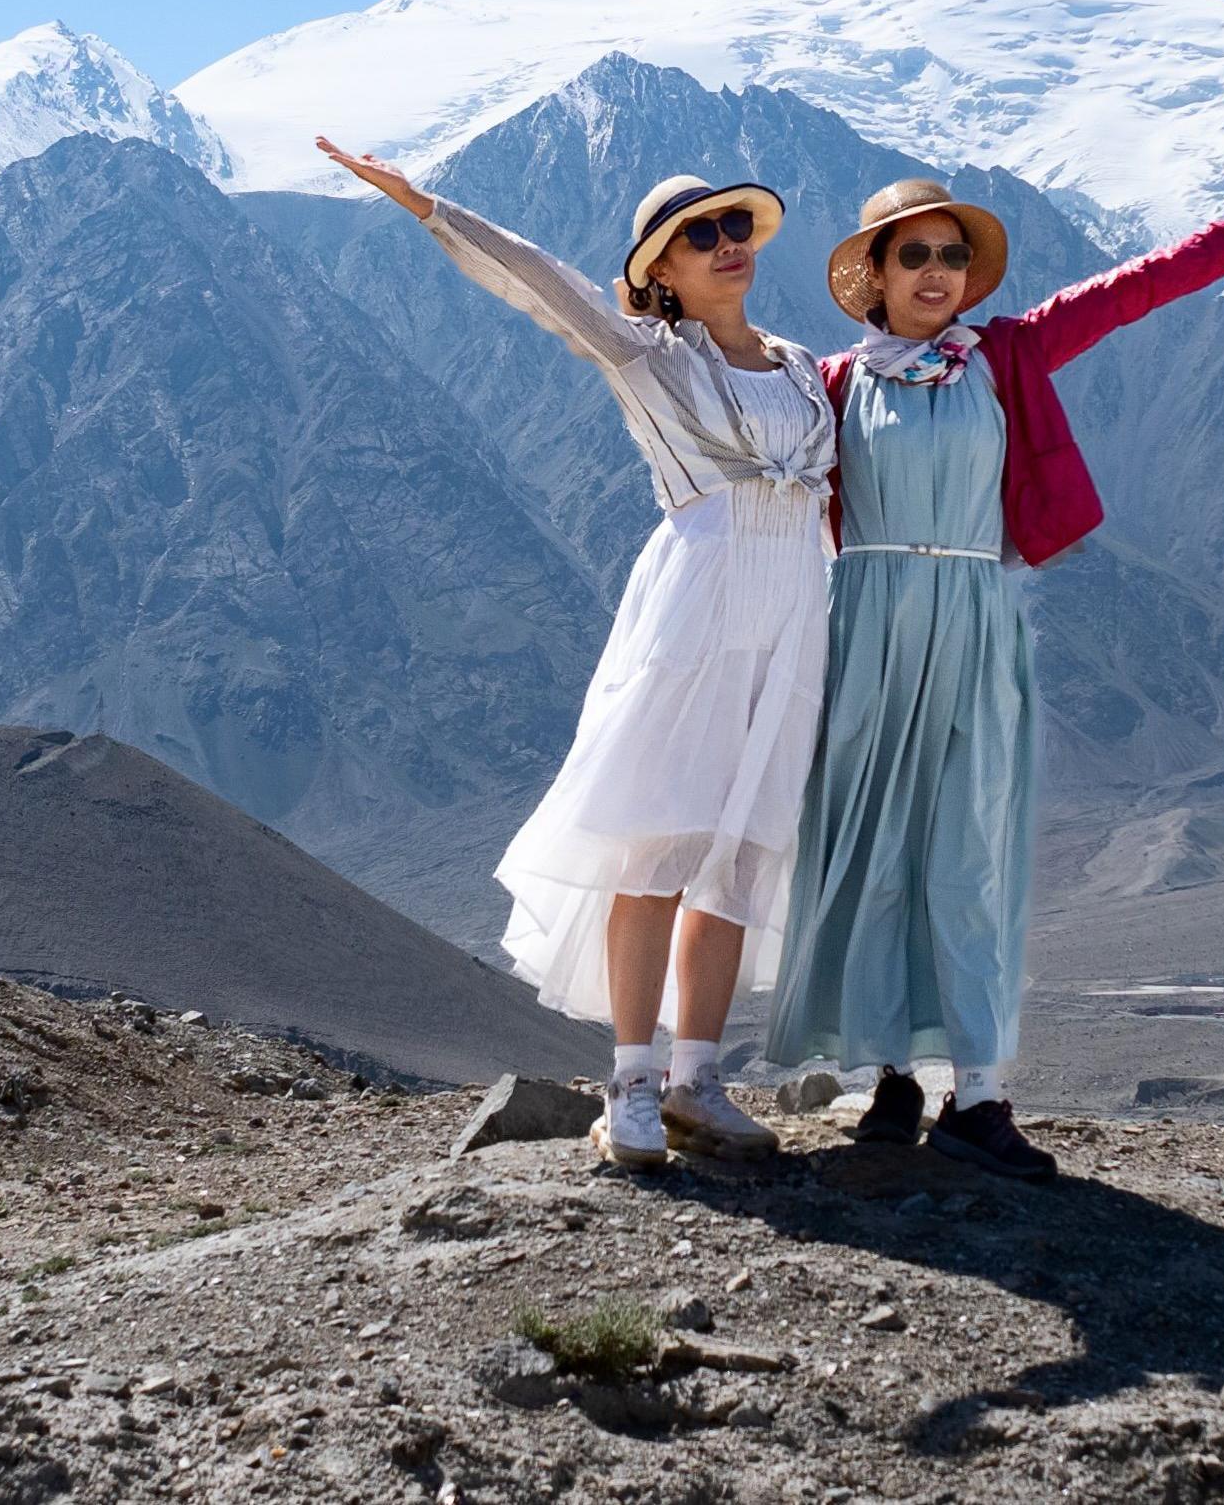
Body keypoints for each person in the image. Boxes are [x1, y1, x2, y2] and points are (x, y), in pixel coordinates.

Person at [314, 136, 835, 1171]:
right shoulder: (649, 358)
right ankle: (631, 1082)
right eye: (699, 235)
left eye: (736, 225)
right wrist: (430, 209)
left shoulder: (804, 372)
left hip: (793, 624)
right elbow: (540, 284)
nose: (727, 243)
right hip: (695, 614)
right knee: (655, 848)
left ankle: (697, 1080)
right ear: (660, 273)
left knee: (737, 855)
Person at [768, 177, 1224, 1178]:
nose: (935, 273)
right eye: (912, 255)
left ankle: (981, 1094)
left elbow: (1116, 298)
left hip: (970, 618)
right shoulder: (827, 382)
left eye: (950, 256)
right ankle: (890, 1080)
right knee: (873, 850)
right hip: (863, 622)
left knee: (967, 855)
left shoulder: (1002, 356)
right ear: (872, 273)